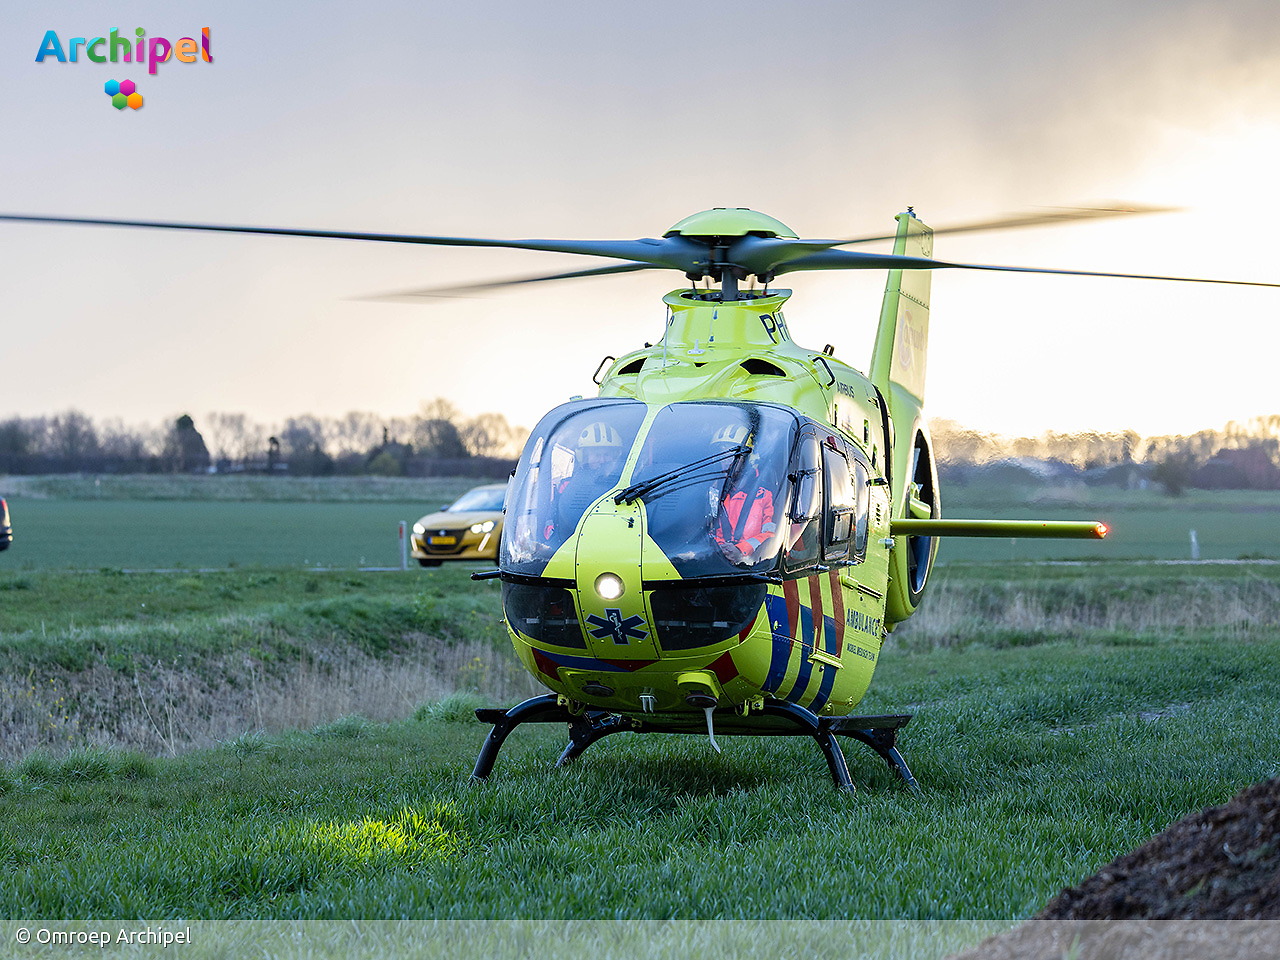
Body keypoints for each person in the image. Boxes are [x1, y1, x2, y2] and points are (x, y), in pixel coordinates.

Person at [544, 421, 625, 539]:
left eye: (607, 454)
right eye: (597, 455)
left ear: (615, 456)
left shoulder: (626, 483)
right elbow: (552, 521)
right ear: (584, 456)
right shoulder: (567, 485)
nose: (602, 460)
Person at [711, 425, 777, 564]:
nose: (725, 458)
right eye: (720, 451)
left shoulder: (764, 496)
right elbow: (705, 530)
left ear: (749, 458)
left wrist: (741, 550)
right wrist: (721, 548)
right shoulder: (712, 493)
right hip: (716, 564)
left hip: (753, 569)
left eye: (732, 452)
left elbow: (771, 534)